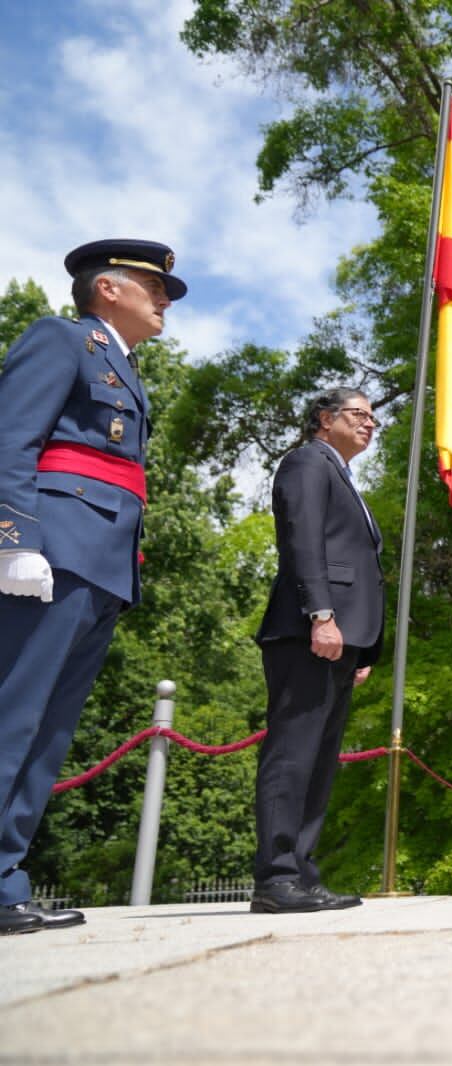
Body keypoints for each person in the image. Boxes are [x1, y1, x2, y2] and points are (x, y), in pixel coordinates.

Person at [0, 239, 185, 935]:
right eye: (154, 286)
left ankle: (5, 878)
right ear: (108, 288)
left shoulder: (123, 366)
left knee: (48, 731)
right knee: (13, 715)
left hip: (100, 565)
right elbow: (10, 438)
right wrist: (15, 540)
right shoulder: (62, 338)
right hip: (52, 551)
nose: (165, 299)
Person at [251, 389, 384, 912]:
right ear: (325, 421)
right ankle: (277, 876)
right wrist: (321, 616)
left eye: (375, 418)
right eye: (359, 414)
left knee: (319, 760)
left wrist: (363, 645)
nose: (370, 424)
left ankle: (301, 872)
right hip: (309, 629)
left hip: (340, 638)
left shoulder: (342, 474)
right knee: (292, 754)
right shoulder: (308, 461)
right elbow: (304, 541)